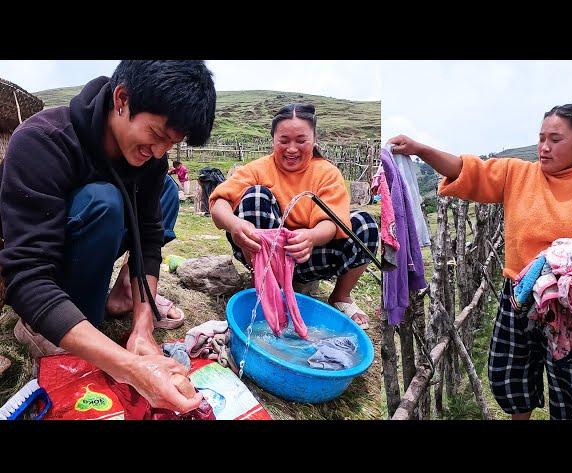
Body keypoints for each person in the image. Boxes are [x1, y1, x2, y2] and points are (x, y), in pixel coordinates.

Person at [388, 103, 572, 420]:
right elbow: (466, 170)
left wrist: (565, 272)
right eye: (541, 137)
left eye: (556, 139)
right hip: (518, 295)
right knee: (510, 375)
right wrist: (419, 148)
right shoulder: (518, 175)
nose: (544, 147)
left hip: (571, 308)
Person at [0, 60, 217, 413]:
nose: (160, 152)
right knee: (104, 201)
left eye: (172, 144)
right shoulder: (41, 142)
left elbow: (148, 239)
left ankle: (121, 298)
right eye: (158, 135)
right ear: (121, 99)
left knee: (162, 190)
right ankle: (45, 326)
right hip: (50, 262)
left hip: (96, 234)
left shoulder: (151, 161)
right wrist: (133, 369)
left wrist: (143, 329)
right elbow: (26, 277)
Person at [209, 103, 379, 329]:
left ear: (314, 139)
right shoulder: (259, 168)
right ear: (273, 141)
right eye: (284, 140)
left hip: (306, 255)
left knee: (365, 225)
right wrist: (235, 224)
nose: (292, 148)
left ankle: (340, 297)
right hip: (263, 255)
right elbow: (219, 202)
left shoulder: (326, 173)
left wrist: (312, 237)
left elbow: (332, 222)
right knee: (255, 196)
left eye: (301, 140)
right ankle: (263, 286)